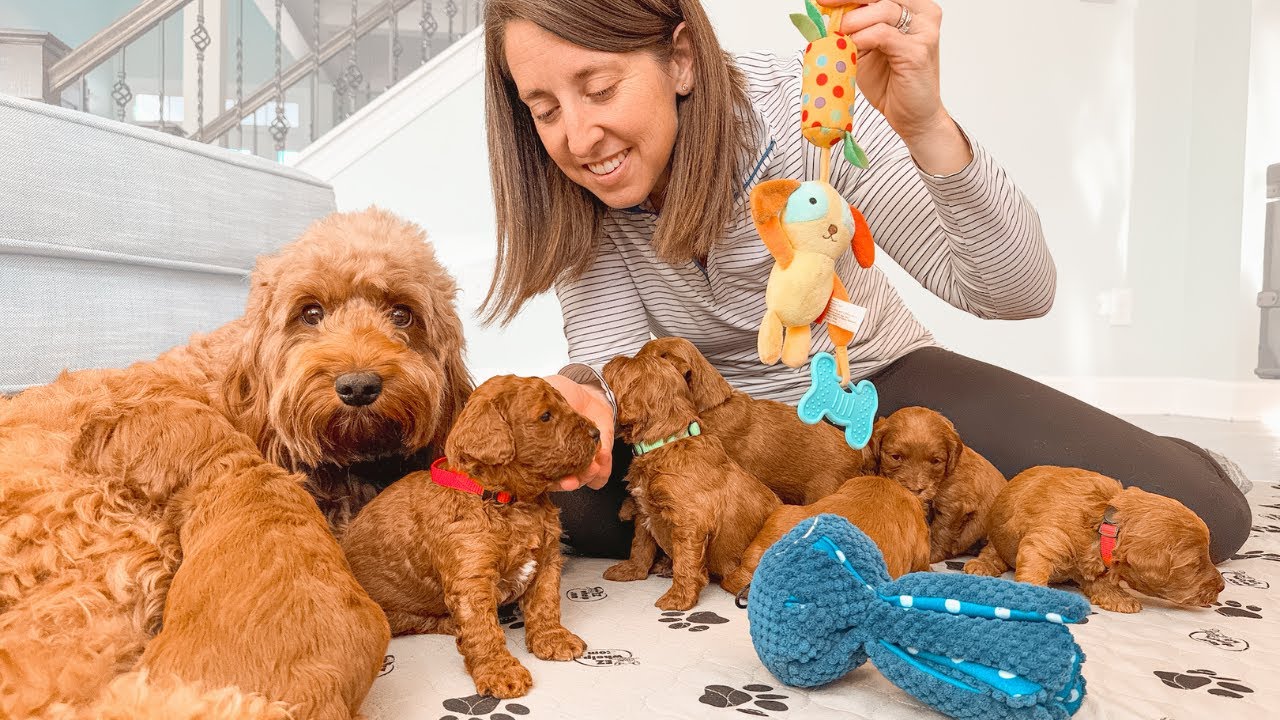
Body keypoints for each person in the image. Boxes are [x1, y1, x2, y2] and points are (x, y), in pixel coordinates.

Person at [479, 0, 1252, 563]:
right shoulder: (567, 193)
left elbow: (1015, 291)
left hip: (870, 384)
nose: (578, 138)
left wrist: (925, 126)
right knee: (581, 508)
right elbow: (617, 365)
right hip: (717, 426)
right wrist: (580, 388)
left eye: (601, 89)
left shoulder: (807, 107)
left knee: (1204, 517)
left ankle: (1158, 453)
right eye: (543, 109)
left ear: (680, 59)